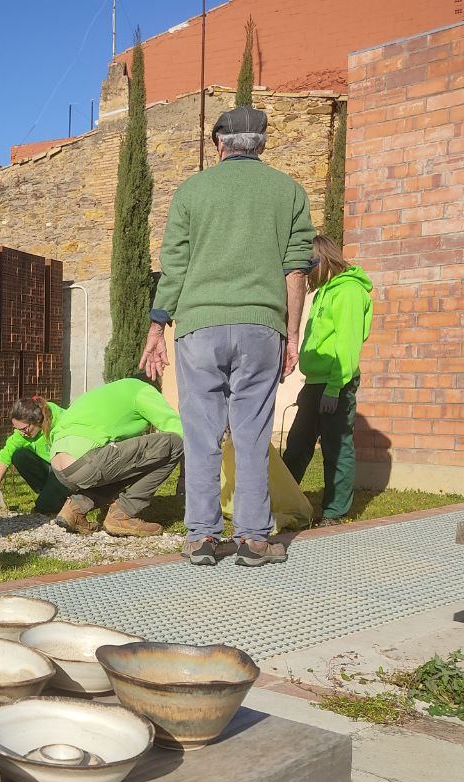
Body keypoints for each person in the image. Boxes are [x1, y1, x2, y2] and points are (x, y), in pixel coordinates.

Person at [141, 106, 315, 567]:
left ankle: (201, 537)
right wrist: (292, 334)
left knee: (201, 435)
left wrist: (157, 327)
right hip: (262, 327)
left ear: (219, 143)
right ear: (262, 144)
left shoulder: (192, 192)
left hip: (199, 327)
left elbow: (173, 267)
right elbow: (296, 269)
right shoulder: (289, 191)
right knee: (252, 434)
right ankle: (254, 540)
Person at [282, 235, 373, 526]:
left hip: (337, 384)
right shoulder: (325, 291)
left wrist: (334, 389)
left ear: (322, 260)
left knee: (336, 448)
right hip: (315, 383)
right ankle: (282, 501)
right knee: (297, 445)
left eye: (309, 266)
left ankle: (334, 513)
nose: (306, 275)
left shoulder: (348, 292)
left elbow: (347, 346)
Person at [47, 378, 183, 537]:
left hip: (59, 467)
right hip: (87, 463)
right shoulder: (141, 389)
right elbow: (178, 431)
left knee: (126, 462)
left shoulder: (104, 393)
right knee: (174, 443)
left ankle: (74, 509)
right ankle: (123, 513)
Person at [0, 396, 70, 516]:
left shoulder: (60, 422)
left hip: (68, 470)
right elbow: (5, 456)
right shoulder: (23, 434)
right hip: (52, 470)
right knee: (19, 455)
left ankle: (56, 500)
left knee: (42, 509)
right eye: (17, 429)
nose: (21, 433)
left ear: (36, 420)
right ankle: (51, 497)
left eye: (24, 429)